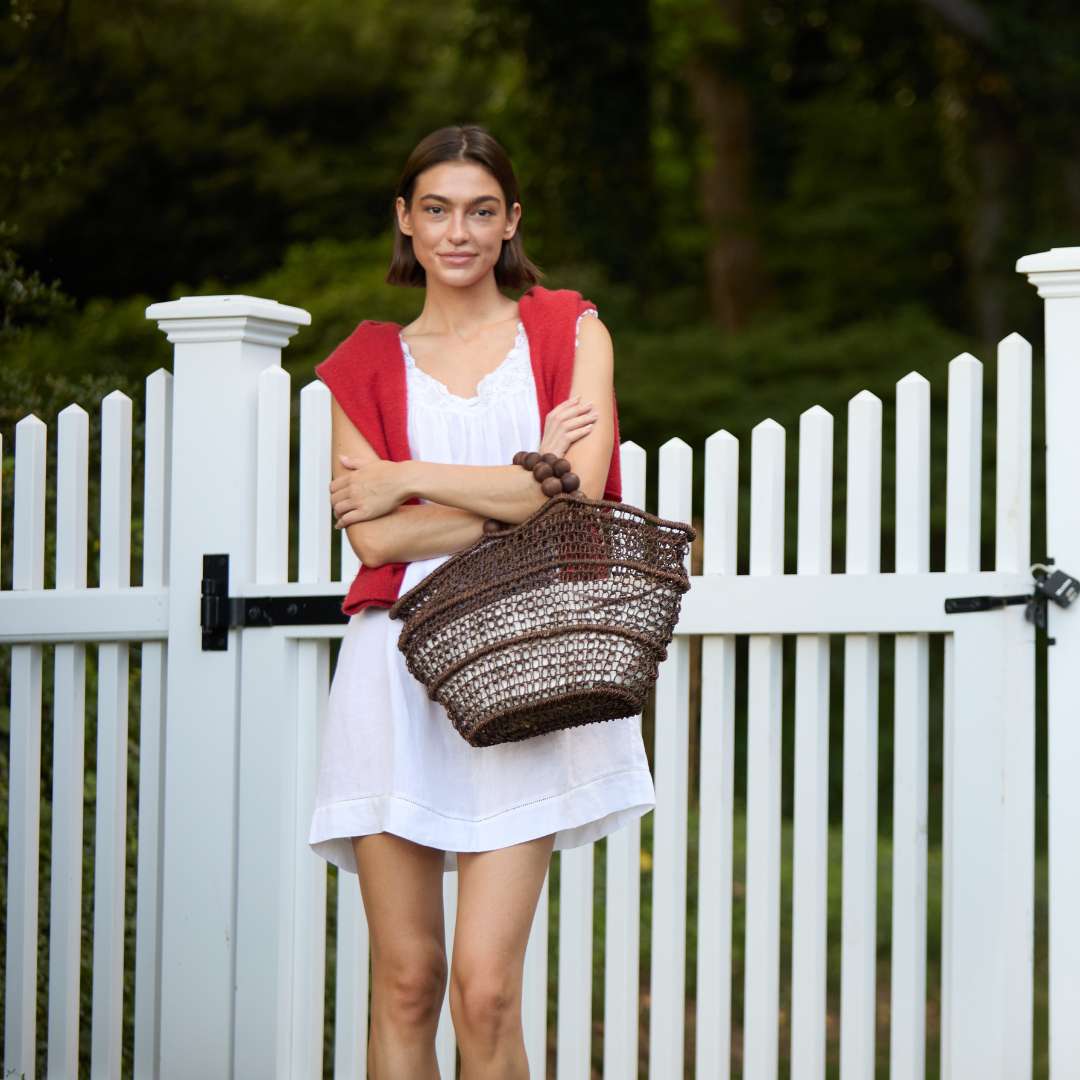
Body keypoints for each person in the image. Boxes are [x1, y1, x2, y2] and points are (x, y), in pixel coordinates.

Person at [307, 124, 656, 1079]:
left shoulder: (567, 329)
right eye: (436, 209)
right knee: (407, 980)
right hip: (393, 677)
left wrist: (411, 478)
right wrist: (522, 483)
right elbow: (376, 539)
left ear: (510, 223)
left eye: (480, 210)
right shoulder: (363, 362)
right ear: (405, 222)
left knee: (485, 991)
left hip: (526, 662)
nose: (458, 231)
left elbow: (579, 490)